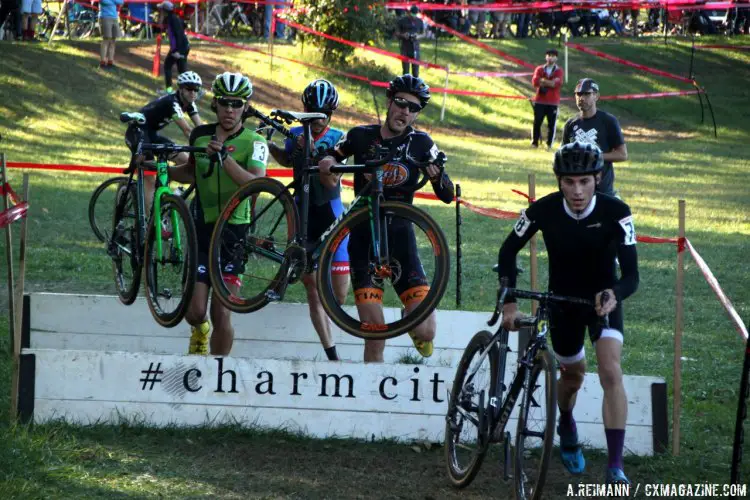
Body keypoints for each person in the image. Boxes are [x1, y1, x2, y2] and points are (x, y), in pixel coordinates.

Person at [497, 141, 639, 486]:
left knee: (610, 370)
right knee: (573, 375)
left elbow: (632, 276)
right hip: (562, 302)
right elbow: (507, 251)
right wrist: (509, 302)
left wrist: (614, 294)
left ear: (598, 178)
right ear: (558, 181)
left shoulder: (617, 211)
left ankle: (615, 466)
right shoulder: (541, 210)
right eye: (569, 182)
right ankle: (565, 419)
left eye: (585, 182)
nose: (577, 191)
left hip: (601, 301)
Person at [318, 74, 455, 363]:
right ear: (389, 102)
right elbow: (331, 156)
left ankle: (412, 321)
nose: (405, 111)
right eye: (401, 103)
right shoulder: (360, 135)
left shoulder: (421, 142)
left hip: (401, 241)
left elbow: (446, 195)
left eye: (413, 108)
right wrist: (329, 165)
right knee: (374, 334)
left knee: (427, 331)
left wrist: (438, 176)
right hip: (364, 241)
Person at [170, 72, 268, 356]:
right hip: (202, 226)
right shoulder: (199, 135)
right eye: (224, 103)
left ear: (245, 107)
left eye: (236, 104)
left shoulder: (255, 141)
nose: (230, 109)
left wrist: (225, 159)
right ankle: (199, 332)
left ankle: (218, 370)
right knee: (196, 312)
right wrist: (159, 168)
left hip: (234, 230)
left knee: (221, 312)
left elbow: (255, 182)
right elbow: (190, 172)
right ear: (216, 104)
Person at [268, 79, 349, 362]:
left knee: (339, 295)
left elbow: (334, 179)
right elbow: (285, 159)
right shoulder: (294, 133)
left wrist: (316, 152)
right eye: (311, 110)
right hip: (301, 215)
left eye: (322, 113)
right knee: (313, 289)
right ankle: (332, 355)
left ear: (332, 113)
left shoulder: (338, 137)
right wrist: (270, 145)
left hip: (330, 213)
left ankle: (333, 337)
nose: (316, 118)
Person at [124, 71, 203, 211]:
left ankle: (165, 191)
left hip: (152, 134)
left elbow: (201, 129)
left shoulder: (190, 103)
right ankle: (151, 223)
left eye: (196, 89)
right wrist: (202, 146)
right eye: (189, 88)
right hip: (137, 132)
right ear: (181, 89)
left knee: (184, 160)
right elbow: (187, 130)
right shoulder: (172, 102)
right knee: (149, 177)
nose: (193, 93)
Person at [561, 78, 627, 197]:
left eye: (587, 94)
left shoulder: (608, 121)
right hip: (577, 193)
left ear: (596, 96)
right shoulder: (570, 124)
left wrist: (596, 156)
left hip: (603, 191)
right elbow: (563, 155)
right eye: (578, 94)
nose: (581, 98)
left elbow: (622, 155)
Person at [531, 48, 563, 150]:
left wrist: (543, 81)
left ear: (556, 58)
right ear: (546, 57)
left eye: (553, 56)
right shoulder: (539, 69)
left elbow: (556, 84)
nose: (550, 58)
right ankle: (534, 142)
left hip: (553, 102)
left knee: (551, 124)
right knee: (537, 122)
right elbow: (535, 82)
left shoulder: (559, 71)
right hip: (540, 100)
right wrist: (549, 82)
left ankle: (549, 144)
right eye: (549, 55)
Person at [158, 0, 190, 94]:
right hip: (184, 47)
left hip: (179, 49)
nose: (160, 12)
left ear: (165, 10)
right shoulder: (174, 18)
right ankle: (192, 89)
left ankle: (169, 90)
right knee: (182, 71)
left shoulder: (172, 20)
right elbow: (183, 26)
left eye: (162, 10)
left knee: (167, 66)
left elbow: (176, 36)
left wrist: (176, 51)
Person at [395, 6, 424, 78]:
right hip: (405, 48)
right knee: (405, 71)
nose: (413, 16)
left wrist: (418, 36)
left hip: (415, 48)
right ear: (409, 13)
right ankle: (405, 87)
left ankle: (415, 87)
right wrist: (403, 35)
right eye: (412, 14)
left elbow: (423, 33)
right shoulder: (402, 21)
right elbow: (396, 33)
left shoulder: (420, 21)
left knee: (416, 72)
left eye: (415, 14)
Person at [98, 0, 123, 69]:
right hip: (105, 17)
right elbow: (105, 2)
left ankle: (110, 62)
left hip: (114, 18)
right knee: (106, 40)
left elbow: (121, 2)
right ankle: (102, 63)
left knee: (113, 41)